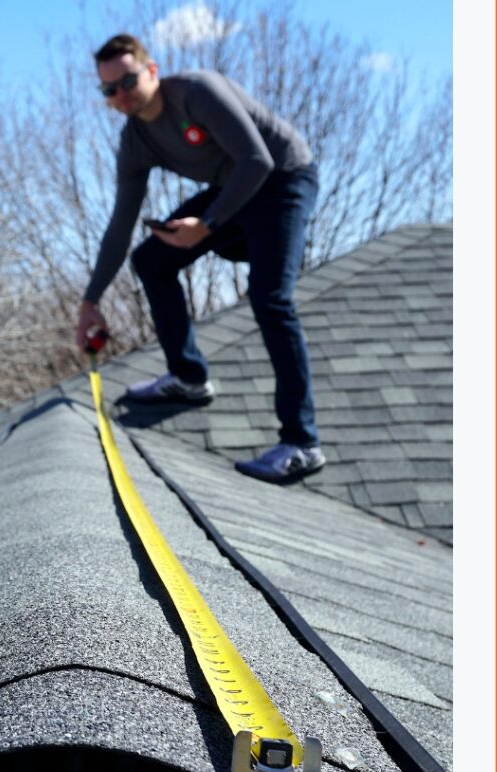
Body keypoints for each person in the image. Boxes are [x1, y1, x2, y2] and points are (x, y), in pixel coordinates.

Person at [75, 33, 324, 484]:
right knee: (151, 259)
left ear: (152, 71)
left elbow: (257, 160)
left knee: (270, 299)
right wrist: (91, 300)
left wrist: (206, 225)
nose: (121, 95)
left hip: (283, 179)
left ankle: (302, 443)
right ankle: (188, 377)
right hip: (231, 191)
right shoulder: (135, 140)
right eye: (109, 90)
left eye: (128, 81)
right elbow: (120, 224)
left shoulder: (196, 92)